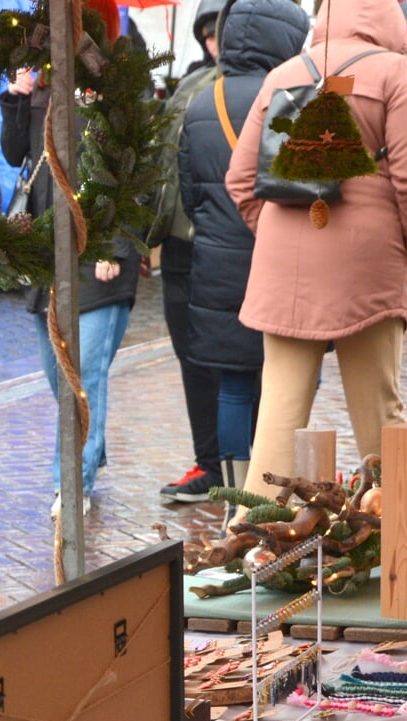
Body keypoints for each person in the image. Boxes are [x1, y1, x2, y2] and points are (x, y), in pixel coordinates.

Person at [226, 0, 407, 498]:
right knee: (381, 416)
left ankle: (254, 543)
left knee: (278, 412)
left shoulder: (283, 73)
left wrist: (277, 235)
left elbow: (239, 179)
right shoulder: (392, 72)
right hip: (367, 263)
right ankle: (399, 530)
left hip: (285, 271)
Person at [179, 0, 309, 491]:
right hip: (281, 261)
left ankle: (236, 490)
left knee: (233, 384)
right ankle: (280, 484)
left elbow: (189, 191)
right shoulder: (293, 95)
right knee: (293, 381)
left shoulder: (200, 101)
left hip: (216, 265)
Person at [1, 66, 143, 516]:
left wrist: (117, 246)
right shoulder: (41, 92)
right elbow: (13, 153)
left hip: (99, 255)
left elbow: (139, 175)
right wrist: (17, 98)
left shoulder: (110, 89)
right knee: (56, 372)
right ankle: (89, 448)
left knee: (82, 377)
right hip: (49, 253)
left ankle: (73, 482)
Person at [157, 0, 230, 504]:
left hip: (227, 244)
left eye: (219, 32)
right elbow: (162, 167)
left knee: (235, 363)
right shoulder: (187, 87)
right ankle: (210, 462)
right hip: (180, 246)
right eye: (207, 35)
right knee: (191, 358)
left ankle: (237, 464)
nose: (213, 43)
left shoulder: (274, 87)